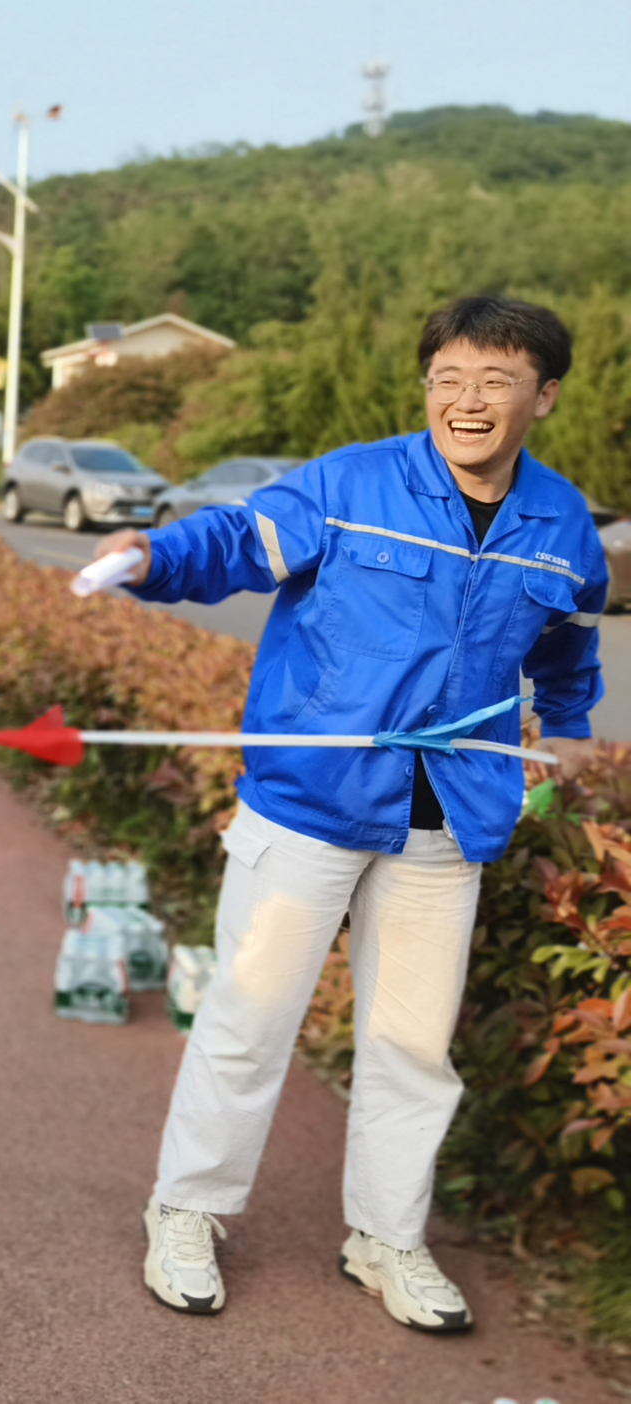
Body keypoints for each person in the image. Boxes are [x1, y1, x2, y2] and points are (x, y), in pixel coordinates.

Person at [88, 296, 607, 1331]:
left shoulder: (563, 524)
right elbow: (236, 543)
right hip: (311, 803)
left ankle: (385, 1238)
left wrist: (570, 730)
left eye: (495, 381)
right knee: (248, 1021)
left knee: (414, 1046)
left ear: (543, 397)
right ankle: (186, 1210)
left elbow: (567, 644)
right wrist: (150, 558)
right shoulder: (352, 483)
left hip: (450, 816)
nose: (467, 400)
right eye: (448, 378)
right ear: (427, 388)